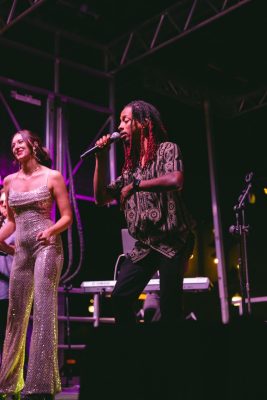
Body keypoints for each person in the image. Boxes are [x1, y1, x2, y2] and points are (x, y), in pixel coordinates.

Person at [93, 99, 195, 326]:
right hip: (145, 245)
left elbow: (175, 179)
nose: (119, 126)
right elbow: (100, 198)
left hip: (173, 240)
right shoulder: (130, 168)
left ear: (144, 123)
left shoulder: (168, 149)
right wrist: (100, 158)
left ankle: (174, 357)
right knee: (120, 298)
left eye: (126, 120)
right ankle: (135, 352)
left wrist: (137, 185)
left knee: (170, 308)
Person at [0, 130, 73, 400]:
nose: (16, 146)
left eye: (21, 142)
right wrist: (2, 242)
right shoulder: (9, 181)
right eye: (12, 144)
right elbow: (11, 222)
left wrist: (51, 231)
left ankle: (40, 385)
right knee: (15, 314)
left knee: (43, 311)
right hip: (23, 251)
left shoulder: (52, 176)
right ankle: (8, 383)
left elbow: (67, 217)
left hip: (47, 247)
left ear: (33, 145)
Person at [0, 188, 15, 363]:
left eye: (6, 202)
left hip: (10, 292)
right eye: (1, 202)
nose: (3, 206)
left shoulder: (17, 227)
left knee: (10, 338)